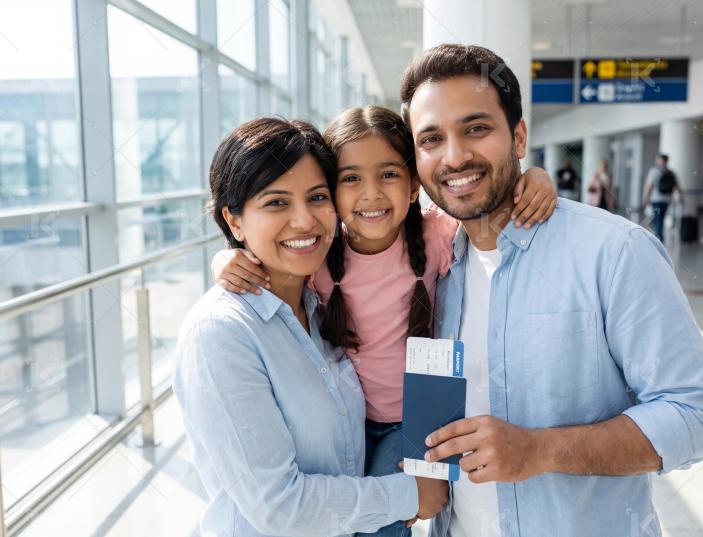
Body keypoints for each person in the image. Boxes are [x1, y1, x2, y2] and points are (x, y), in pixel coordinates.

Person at [399, 43, 703, 537]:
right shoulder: (432, 265)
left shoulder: (614, 252)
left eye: (476, 128)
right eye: (431, 139)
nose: (455, 156)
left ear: (519, 136)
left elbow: (695, 416)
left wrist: (539, 450)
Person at [210, 107, 558, 536]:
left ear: (414, 186)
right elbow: (260, 265)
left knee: (386, 525)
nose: (371, 194)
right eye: (350, 179)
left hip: (413, 420)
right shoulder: (317, 259)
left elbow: (490, 210)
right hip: (352, 422)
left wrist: (535, 178)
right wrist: (225, 257)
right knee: (362, 511)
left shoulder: (434, 236)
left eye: (389, 175)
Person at [172, 117, 451, 536]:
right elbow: (280, 508)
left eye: (317, 197)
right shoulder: (220, 333)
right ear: (234, 221)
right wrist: (411, 494)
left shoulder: (317, 304)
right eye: (276, 203)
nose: (304, 221)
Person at [642, 153, 683, 242]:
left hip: (656, 199)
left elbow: (649, 185)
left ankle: (659, 238)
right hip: (666, 199)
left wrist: (646, 197)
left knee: (657, 219)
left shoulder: (654, 171)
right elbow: (676, 186)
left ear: (660, 160)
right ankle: (659, 236)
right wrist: (679, 196)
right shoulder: (671, 172)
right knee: (660, 218)